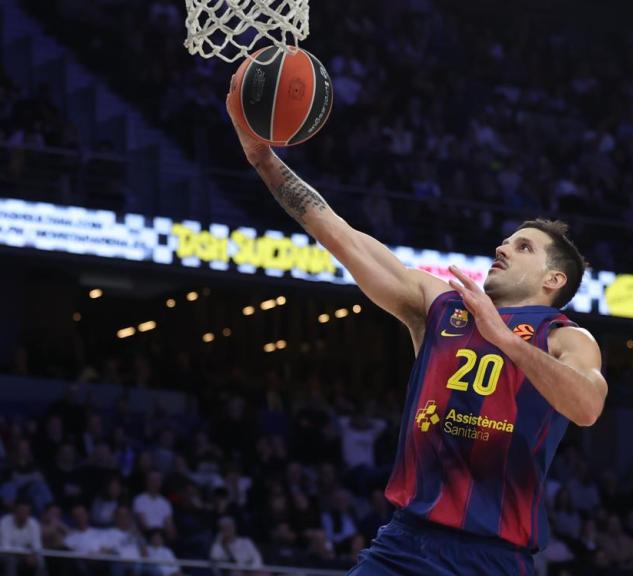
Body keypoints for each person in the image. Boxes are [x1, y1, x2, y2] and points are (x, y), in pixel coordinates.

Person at [226, 75, 608, 575]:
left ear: (553, 278)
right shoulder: (440, 306)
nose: (502, 247)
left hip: (494, 557)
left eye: (523, 247)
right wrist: (263, 159)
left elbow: (587, 406)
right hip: (406, 544)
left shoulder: (567, 337)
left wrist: (505, 342)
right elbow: (344, 238)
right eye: (508, 240)